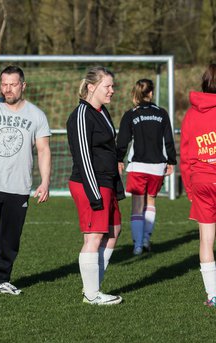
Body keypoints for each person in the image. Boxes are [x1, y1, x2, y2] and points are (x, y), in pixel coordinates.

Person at [0, 65, 51, 297]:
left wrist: (45, 181)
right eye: (4, 84)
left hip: (18, 187)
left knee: (10, 238)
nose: (8, 89)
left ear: (23, 85)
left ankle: (2, 280)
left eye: (13, 84)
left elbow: (44, 149)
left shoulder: (36, 115)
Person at [67, 66, 125, 305]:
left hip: (107, 182)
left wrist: (116, 186)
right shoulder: (81, 115)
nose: (112, 91)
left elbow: (108, 150)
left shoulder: (102, 112)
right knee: (94, 236)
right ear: (91, 87)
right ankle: (92, 294)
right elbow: (82, 156)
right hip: (90, 183)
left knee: (114, 231)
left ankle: (94, 287)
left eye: (112, 86)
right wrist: (94, 193)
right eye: (107, 86)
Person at [117, 79, 177, 255]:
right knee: (150, 201)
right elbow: (168, 140)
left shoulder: (131, 114)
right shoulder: (162, 113)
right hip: (157, 167)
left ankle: (136, 246)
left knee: (137, 204)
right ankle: (145, 240)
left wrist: (119, 158)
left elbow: (122, 140)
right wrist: (172, 161)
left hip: (138, 166)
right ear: (151, 93)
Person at [180, 63, 216, 307]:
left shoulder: (191, 114)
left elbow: (185, 156)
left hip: (201, 180)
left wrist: (190, 190)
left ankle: (213, 295)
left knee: (205, 240)